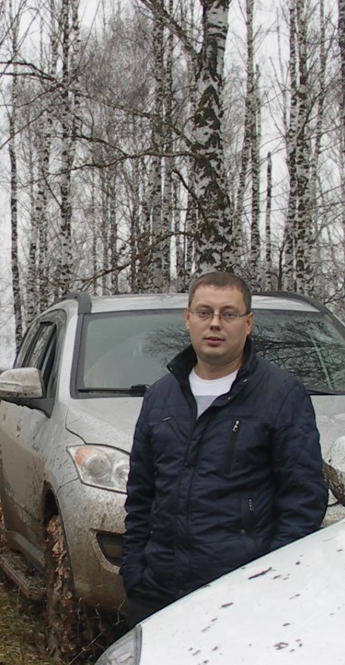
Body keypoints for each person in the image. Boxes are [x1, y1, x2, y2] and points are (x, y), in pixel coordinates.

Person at [120, 269, 327, 627]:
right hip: (158, 592)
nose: (215, 323)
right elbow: (142, 494)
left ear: (248, 323)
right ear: (188, 319)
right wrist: (135, 572)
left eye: (228, 314)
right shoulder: (160, 397)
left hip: (240, 594)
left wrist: (269, 580)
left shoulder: (280, 395)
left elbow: (303, 502)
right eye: (204, 312)